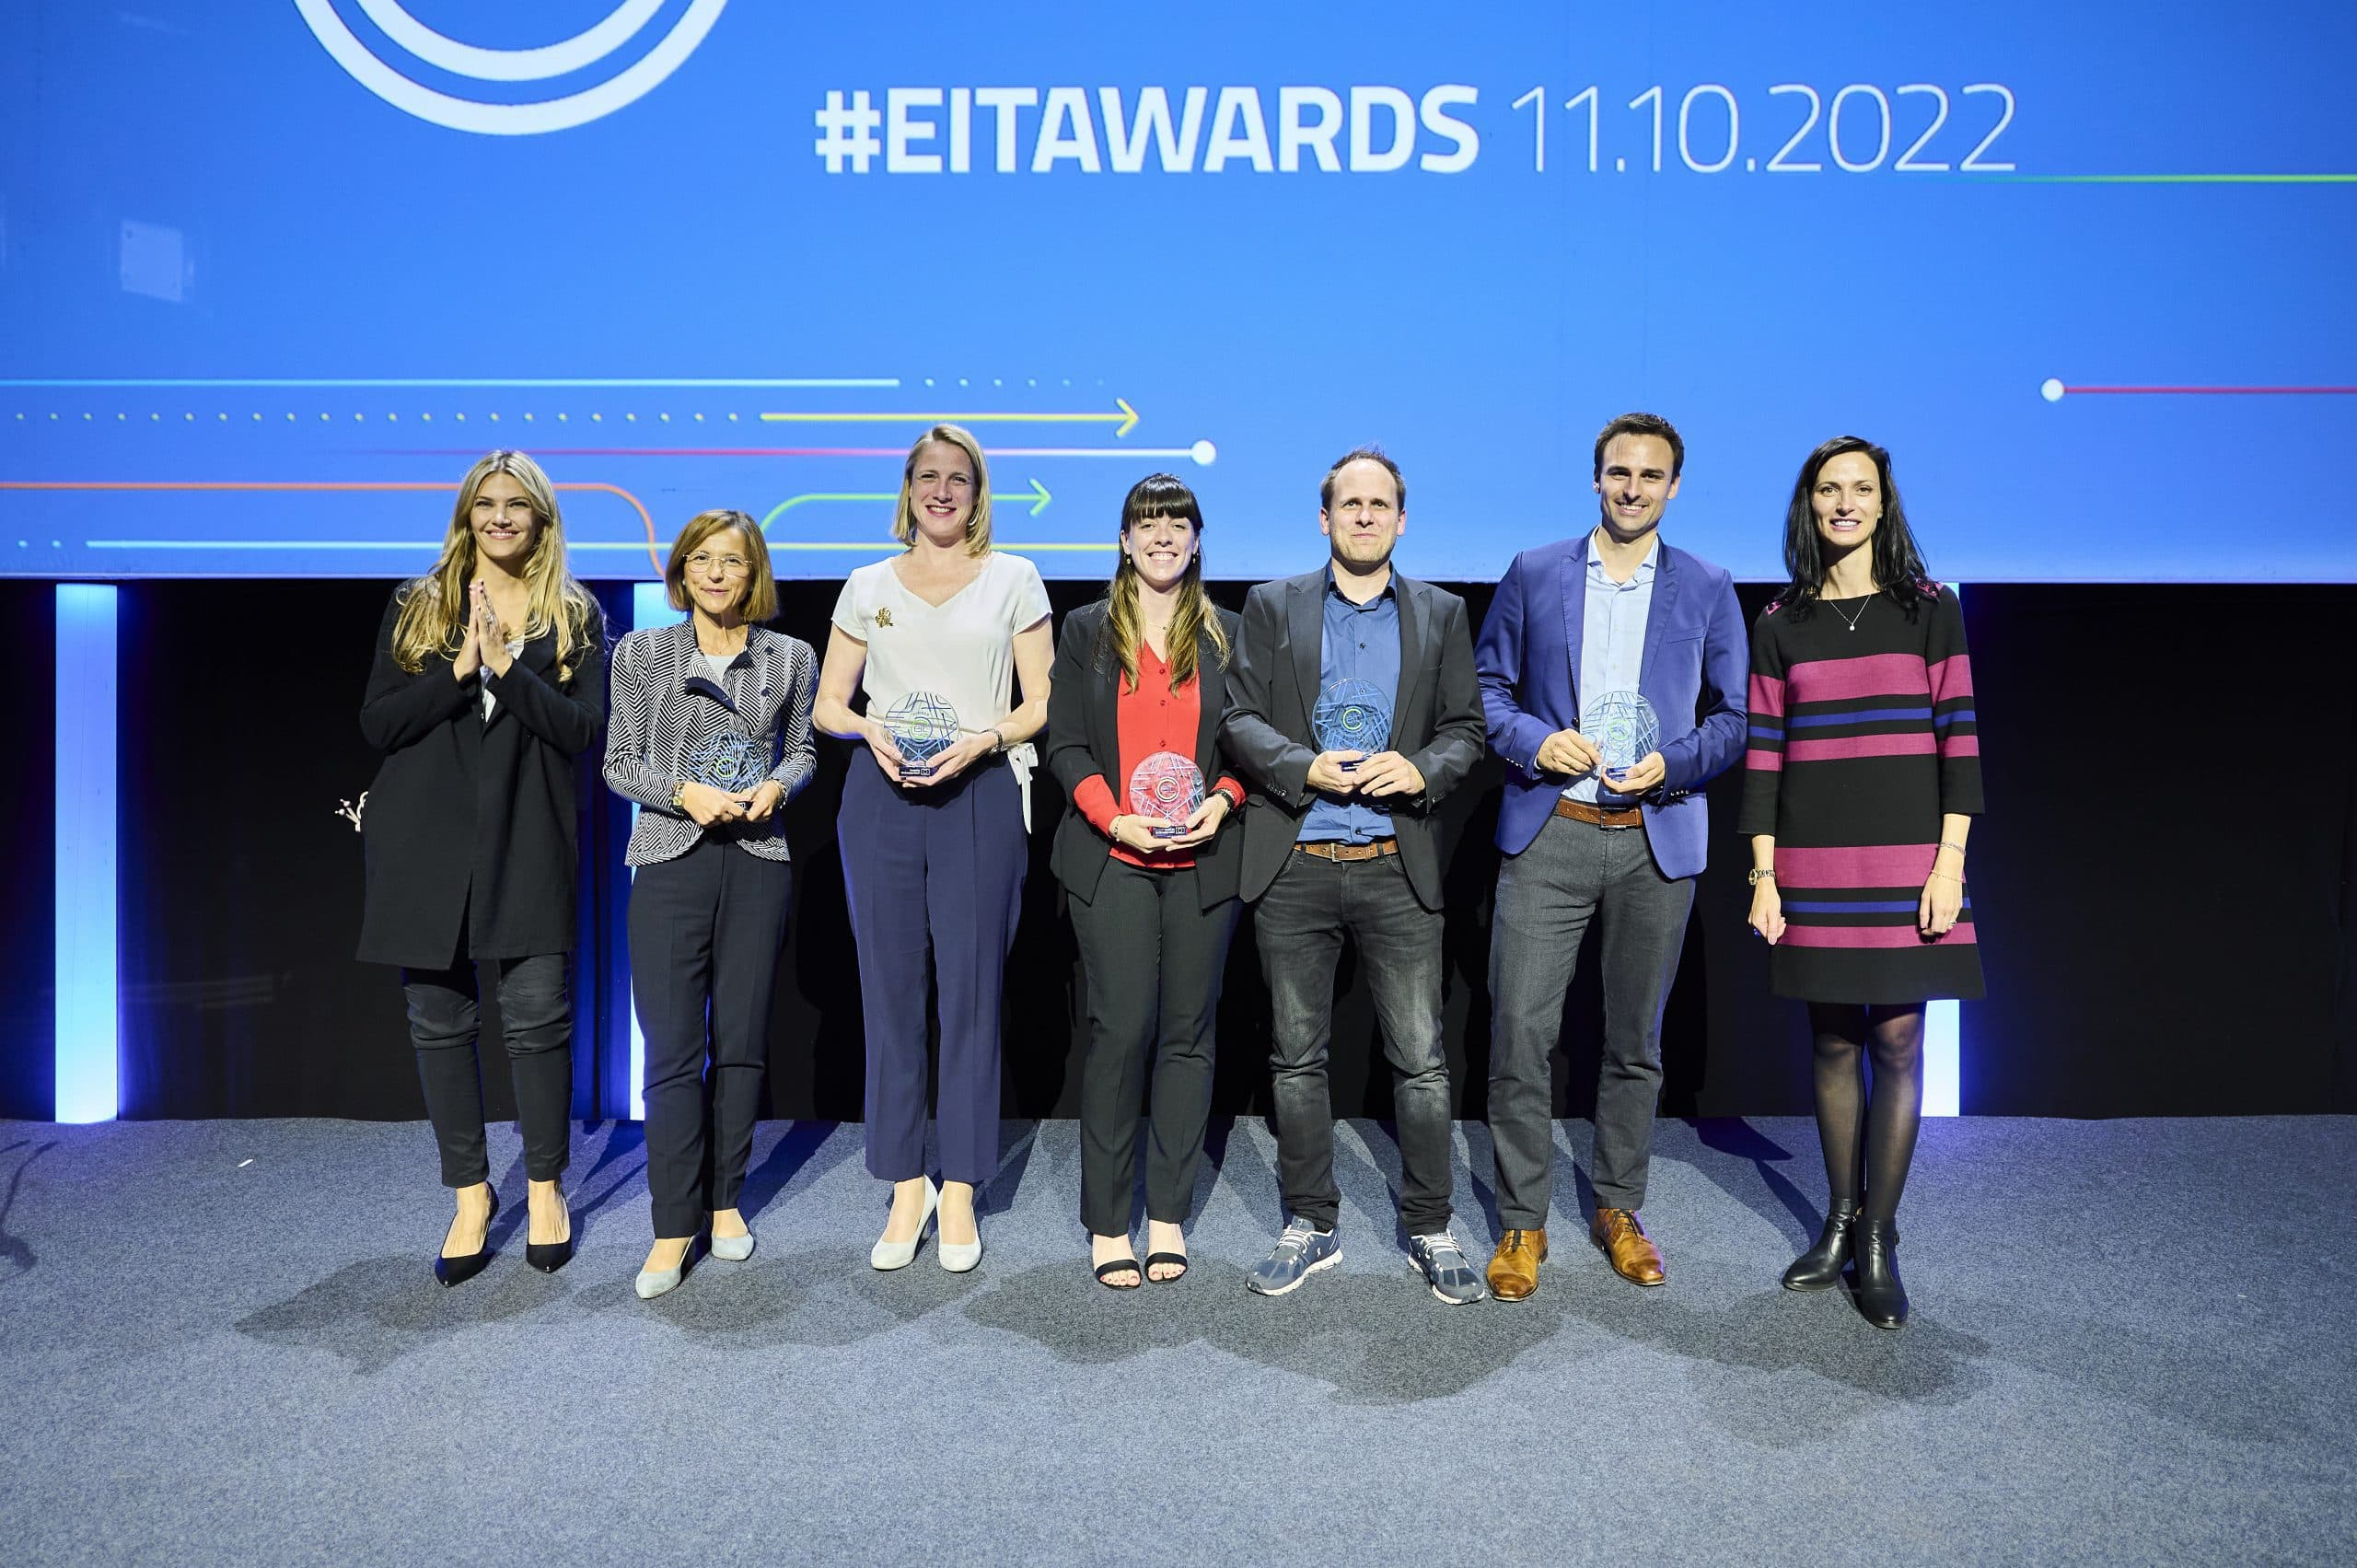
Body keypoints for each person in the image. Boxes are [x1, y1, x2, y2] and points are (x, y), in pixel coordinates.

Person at [1473, 412, 1747, 1299]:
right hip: (1550, 829)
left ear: (1674, 487)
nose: (1633, 488)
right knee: (1520, 1033)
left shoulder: (1708, 585)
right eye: (1619, 472)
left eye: (1650, 475)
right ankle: (1523, 1220)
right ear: (1596, 478)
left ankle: (1619, 1207)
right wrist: (1534, 741)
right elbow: (1487, 690)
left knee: (1635, 1042)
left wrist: (1678, 762)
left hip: (1653, 838)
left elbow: (1734, 717)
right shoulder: (1534, 571)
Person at [1221, 446, 1489, 1304]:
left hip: (1395, 863)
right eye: (1350, 503)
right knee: (1296, 1058)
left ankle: (1430, 1224)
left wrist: (1421, 769)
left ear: (1401, 520)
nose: (1365, 516)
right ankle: (1312, 1221)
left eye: (1380, 505)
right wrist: (1303, 766)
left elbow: (1465, 729)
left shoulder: (1442, 612)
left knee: (1422, 1061)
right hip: (1296, 861)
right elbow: (1238, 717)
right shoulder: (1273, 604)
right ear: (1325, 517)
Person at [1740, 436, 1984, 1330]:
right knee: (1833, 1040)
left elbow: (1960, 742)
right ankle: (1839, 1221)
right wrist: (1764, 873)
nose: (1844, 502)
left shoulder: (1931, 609)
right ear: (1809, 505)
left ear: (1884, 503)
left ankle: (1879, 1235)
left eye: (1861, 488)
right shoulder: (1780, 622)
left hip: (1909, 858)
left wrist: (1949, 862)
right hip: (1813, 862)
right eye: (1828, 489)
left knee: (1899, 1040)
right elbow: (1763, 758)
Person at [355, 449, 606, 1285]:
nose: (500, 517)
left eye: (517, 504)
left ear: (542, 518)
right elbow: (379, 725)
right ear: (467, 514)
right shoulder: (418, 604)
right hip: (424, 839)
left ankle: (544, 1187)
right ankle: (469, 1195)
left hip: (528, 834)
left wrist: (505, 666)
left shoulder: (574, 614)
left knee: (536, 1016)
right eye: (486, 503)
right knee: (438, 1018)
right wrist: (460, 669)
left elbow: (581, 731)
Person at [814, 424, 1052, 1273]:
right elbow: (828, 705)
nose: (942, 490)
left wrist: (984, 738)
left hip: (980, 793)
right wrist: (871, 730)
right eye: (928, 476)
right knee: (889, 993)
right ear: (908, 488)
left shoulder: (1015, 578)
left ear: (978, 493)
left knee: (971, 994)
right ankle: (905, 1181)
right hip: (880, 796)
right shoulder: (867, 584)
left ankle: (961, 1187)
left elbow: (1039, 703)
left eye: (959, 478)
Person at [604, 510, 818, 1299]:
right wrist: (682, 792)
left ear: (753, 570)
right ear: (681, 571)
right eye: (701, 559)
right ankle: (672, 1223)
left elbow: (803, 749)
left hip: (757, 861)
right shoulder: (641, 652)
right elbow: (619, 762)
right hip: (670, 859)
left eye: (732, 560)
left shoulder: (791, 657)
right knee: (669, 1051)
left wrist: (778, 786)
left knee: (741, 1045)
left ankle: (725, 1200)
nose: (717, 573)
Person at [1046, 475, 1246, 1289]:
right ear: (1125, 541)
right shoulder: (1085, 630)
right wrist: (1112, 818)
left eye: (1177, 523)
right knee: (1122, 1029)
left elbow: (1251, 743)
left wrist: (1224, 800)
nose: (1162, 535)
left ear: (1196, 541)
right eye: (1147, 523)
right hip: (1114, 856)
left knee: (1189, 1035)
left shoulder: (1232, 634)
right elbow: (1065, 744)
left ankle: (1165, 1215)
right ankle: (1107, 1220)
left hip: (1203, 861)